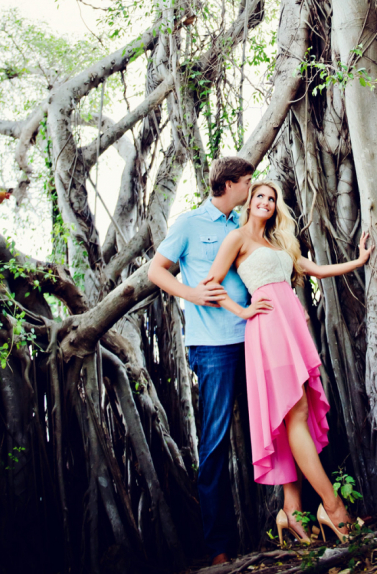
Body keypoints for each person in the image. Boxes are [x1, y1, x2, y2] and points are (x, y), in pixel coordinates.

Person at [204, 179, 371, 546]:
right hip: (267, 331)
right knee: (294, 414)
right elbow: (211, 285)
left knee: (295, 415)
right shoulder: (237, 239)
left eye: (271, 198)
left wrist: (358, 261)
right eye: (259, 196)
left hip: (291, 326)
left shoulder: (278, 242)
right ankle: (333, 507)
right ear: (248, 203)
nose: (265, 201)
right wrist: (244, 310)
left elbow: (313, 269)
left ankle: (290, 510)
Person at [148, 156, 255, 566]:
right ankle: (219, 548)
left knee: (273, 426)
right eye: (246, 182)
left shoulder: (243, 225)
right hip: (212, 347)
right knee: (214, 444)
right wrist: (192, 294)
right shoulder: (189, 224)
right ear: (228, 184)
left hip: (253, 339)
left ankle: (291, 515)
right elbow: (157, 270)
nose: (250, 187)